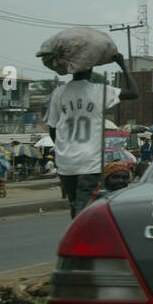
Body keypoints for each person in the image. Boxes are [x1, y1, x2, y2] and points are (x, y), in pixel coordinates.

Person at [44, 52, 139, 218]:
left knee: (75, 203)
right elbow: (133, 92)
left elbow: (52, 128)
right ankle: (80, 237)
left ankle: (78, 234)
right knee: (84, 205)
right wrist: (122, 65)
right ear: (91, 70)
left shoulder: (58, 93)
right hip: (90, 160)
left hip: (66, 161)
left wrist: (61, 148)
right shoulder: (99, 91)